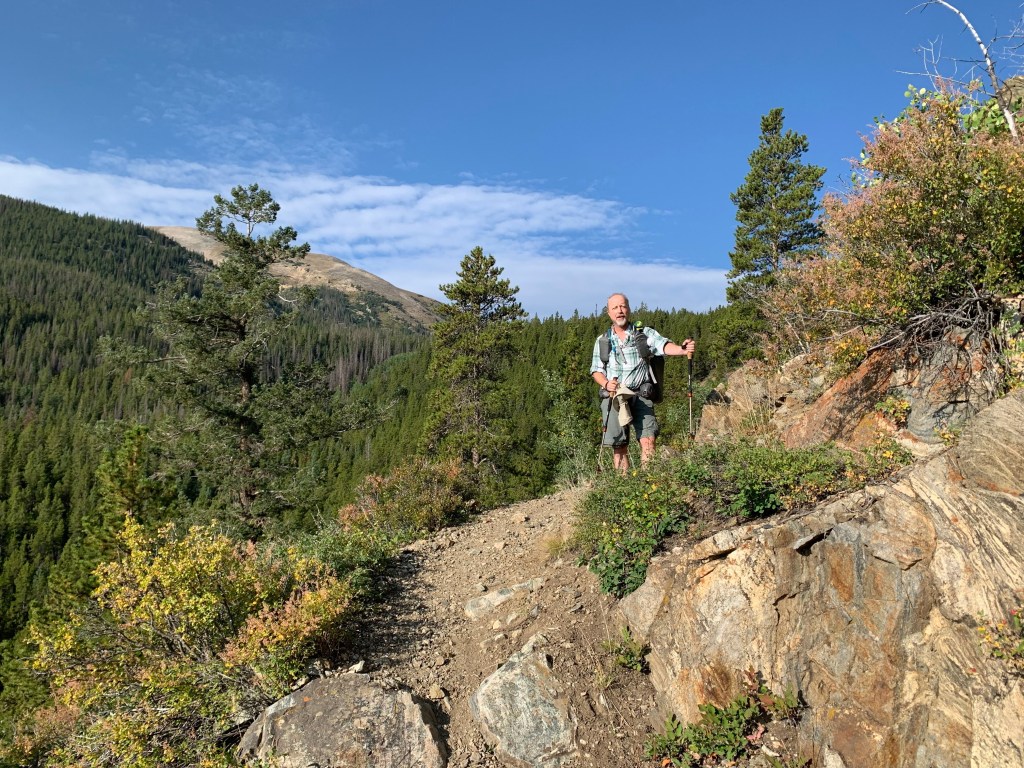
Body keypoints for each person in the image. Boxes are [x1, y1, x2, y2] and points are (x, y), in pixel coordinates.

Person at [590, 293, 695, 470]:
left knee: (648, 440)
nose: (620, 311)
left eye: (623, 306)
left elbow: (663, 346)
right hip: (615, 396)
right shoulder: (603, 341)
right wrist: (606, 384)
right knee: (619, 445)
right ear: (608, 313)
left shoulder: (644, 334)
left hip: (641, 393)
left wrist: (682, 349)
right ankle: (624, 483)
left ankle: (648, 481)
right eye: (615, 308)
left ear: (628, 309)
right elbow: (596, 370)